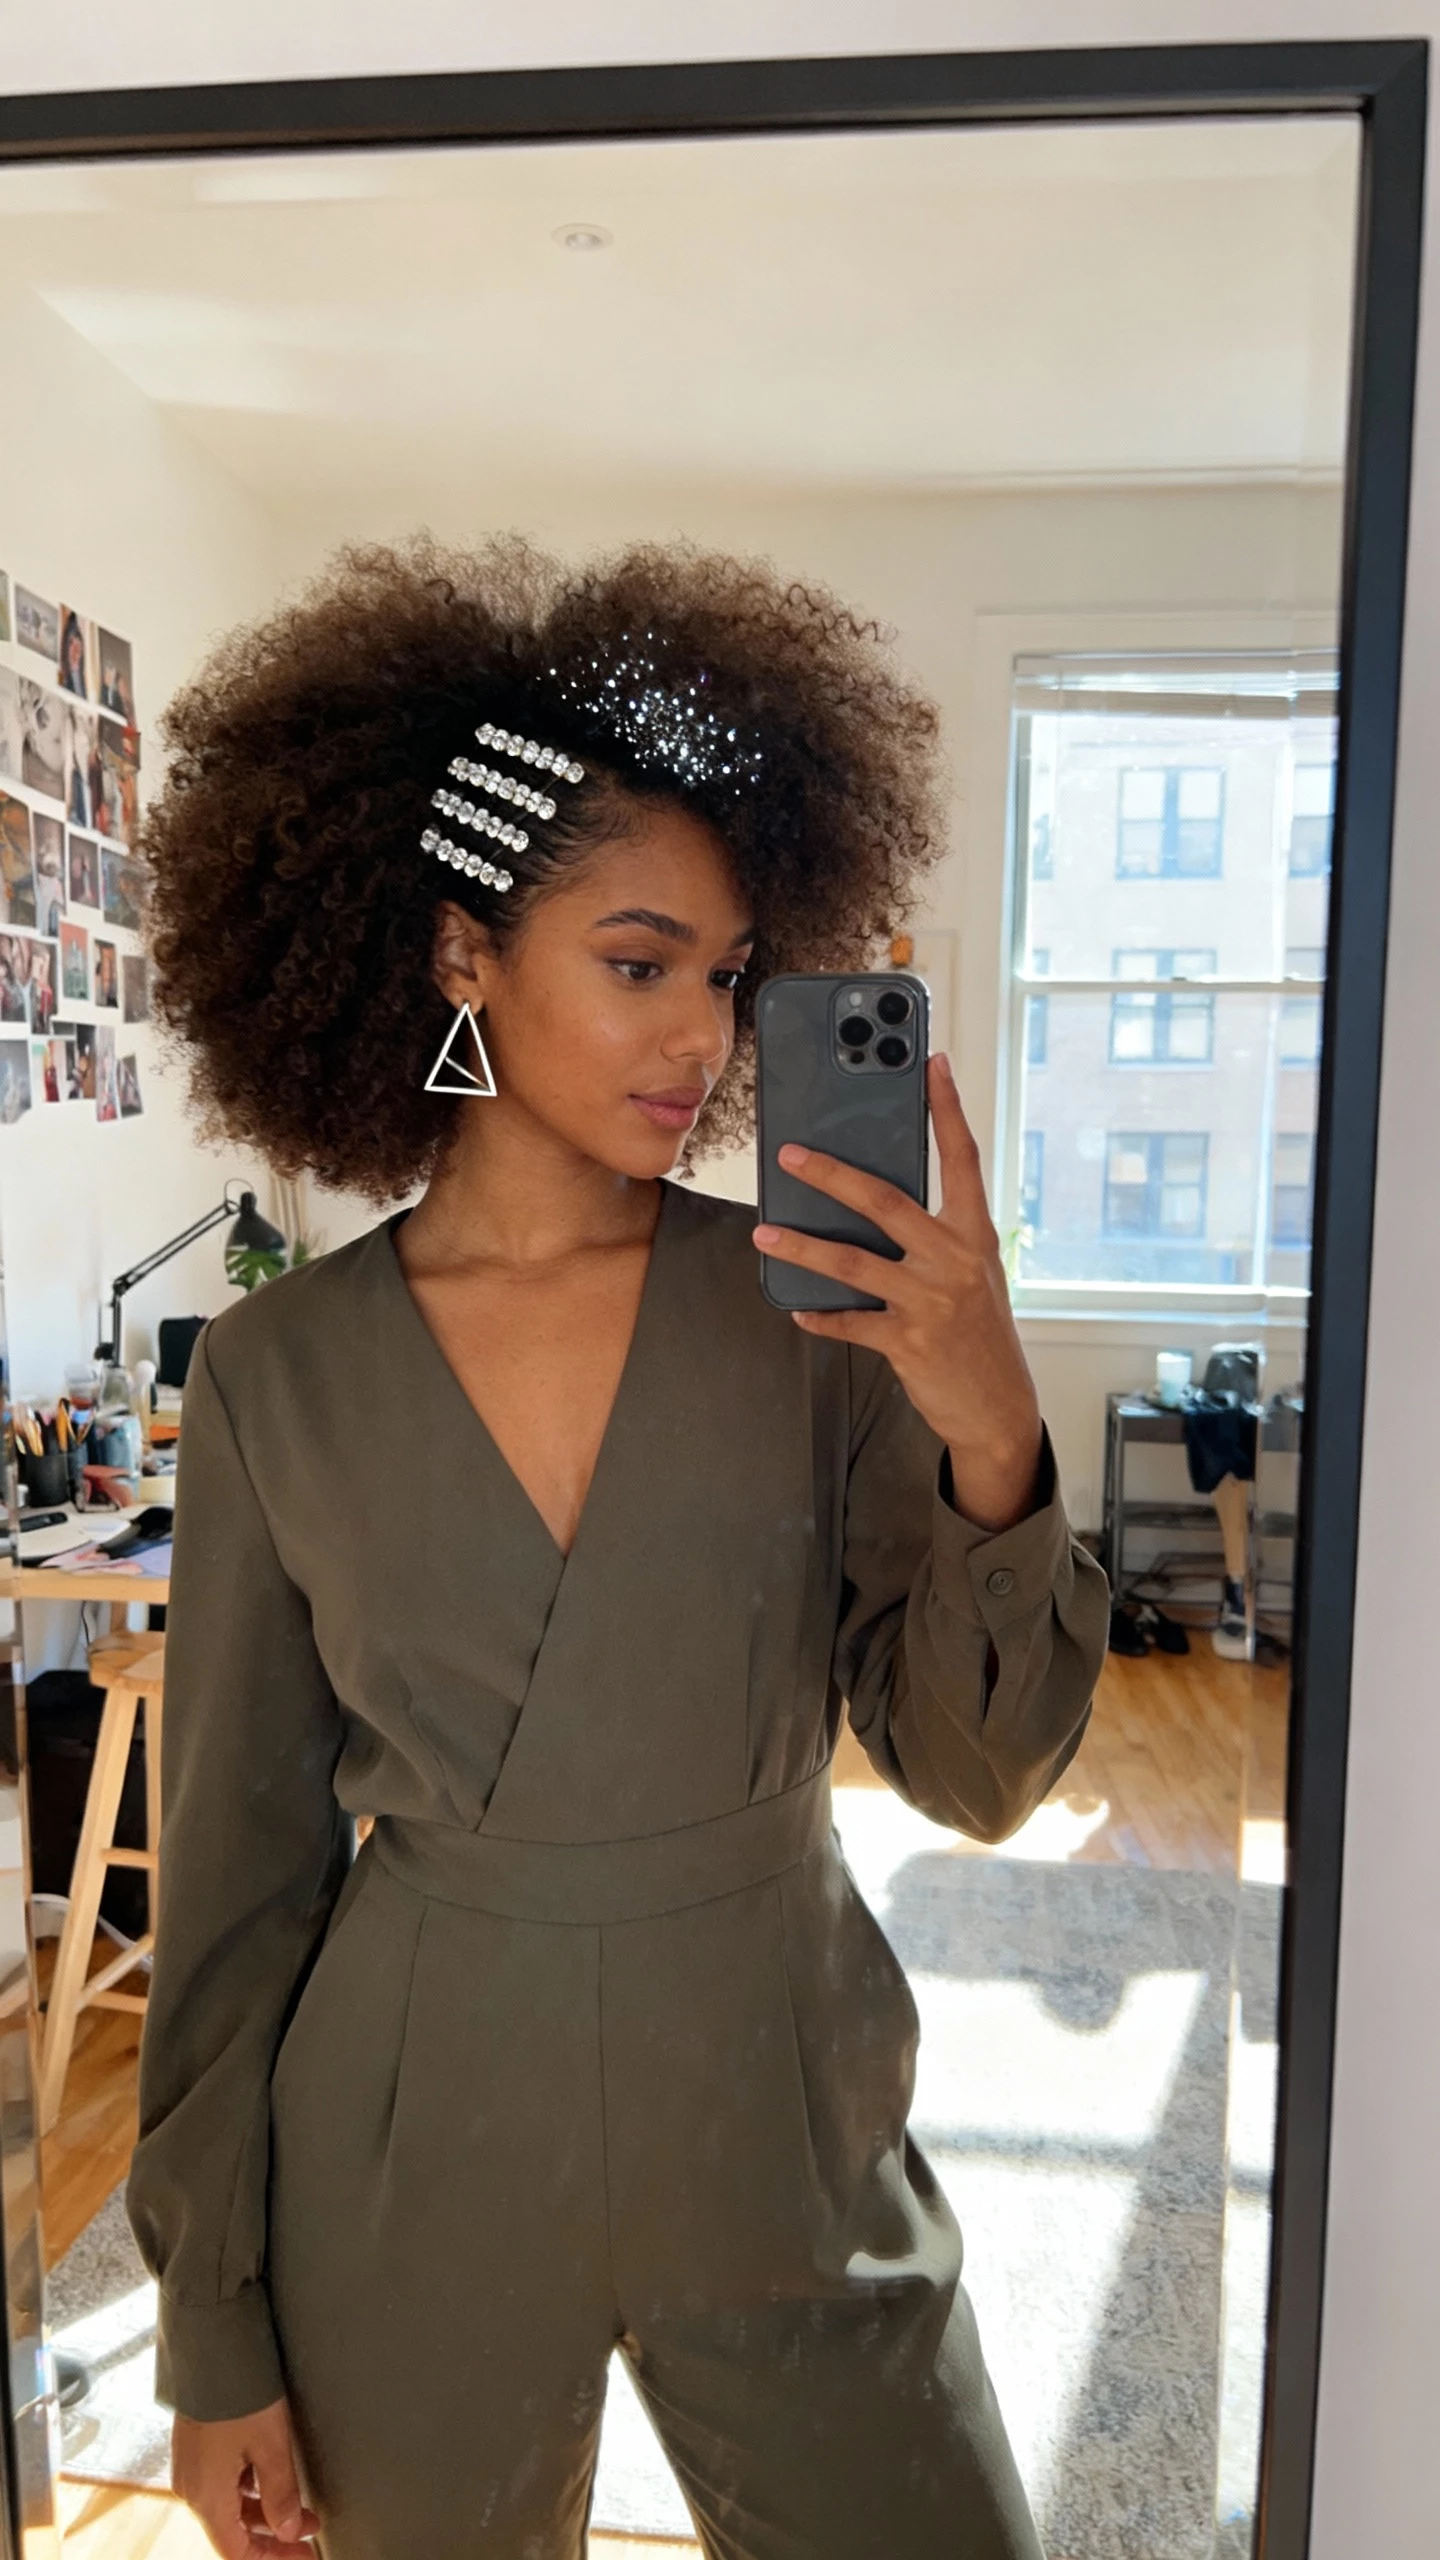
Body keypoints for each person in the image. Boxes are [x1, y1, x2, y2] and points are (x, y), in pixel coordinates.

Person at [129, 536, 1109, 2560]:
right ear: (463, 954)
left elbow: (982, 1777)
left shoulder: (817, 1320)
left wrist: (994, 1427)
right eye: (639, 962)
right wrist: (212, 2328)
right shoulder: (278, 1376)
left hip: (780, 2095)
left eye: (728, 976)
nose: (700, 1038)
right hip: (412, 2135)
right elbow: (234, 1880)